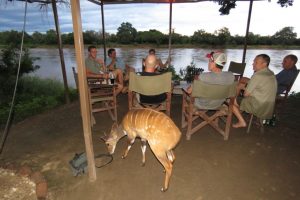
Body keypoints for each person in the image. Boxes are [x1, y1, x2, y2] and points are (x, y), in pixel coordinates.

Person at [232, 54, 277, 128]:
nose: (253, 64)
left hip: (258, 105)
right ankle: (239, 110)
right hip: (268, 106)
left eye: (256, 62)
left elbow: (246, 95)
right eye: (253, 62)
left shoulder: (257, 75)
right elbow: (261, 85)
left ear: (264, 64)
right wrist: (247, 83)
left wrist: (242, 87)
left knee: (231, 100)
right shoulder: (271, 73)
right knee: (243, 81)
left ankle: (241, 121)